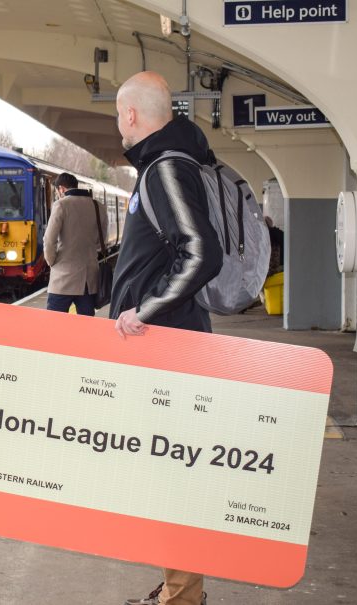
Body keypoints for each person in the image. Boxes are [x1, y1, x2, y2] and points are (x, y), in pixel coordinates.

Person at [111, 71, 223, 605]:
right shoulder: (167, 163)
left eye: (117, 115)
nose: (118, 124)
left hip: (170, 347)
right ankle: (179, 588)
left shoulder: (166, 168)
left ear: (131, 114)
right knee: (167, 467)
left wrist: (145, 311)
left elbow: (201, 252)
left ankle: (182, 597)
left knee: (175, 473)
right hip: (166, 345)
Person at [42, 172, 107, 316]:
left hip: (63, 278)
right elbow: (101, 242)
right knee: (86, 325)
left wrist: (52, 262)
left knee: (54, 323)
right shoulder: (98, 206)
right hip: (89, 281)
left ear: (61, 189)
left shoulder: (61, 205)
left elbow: (49, 240)